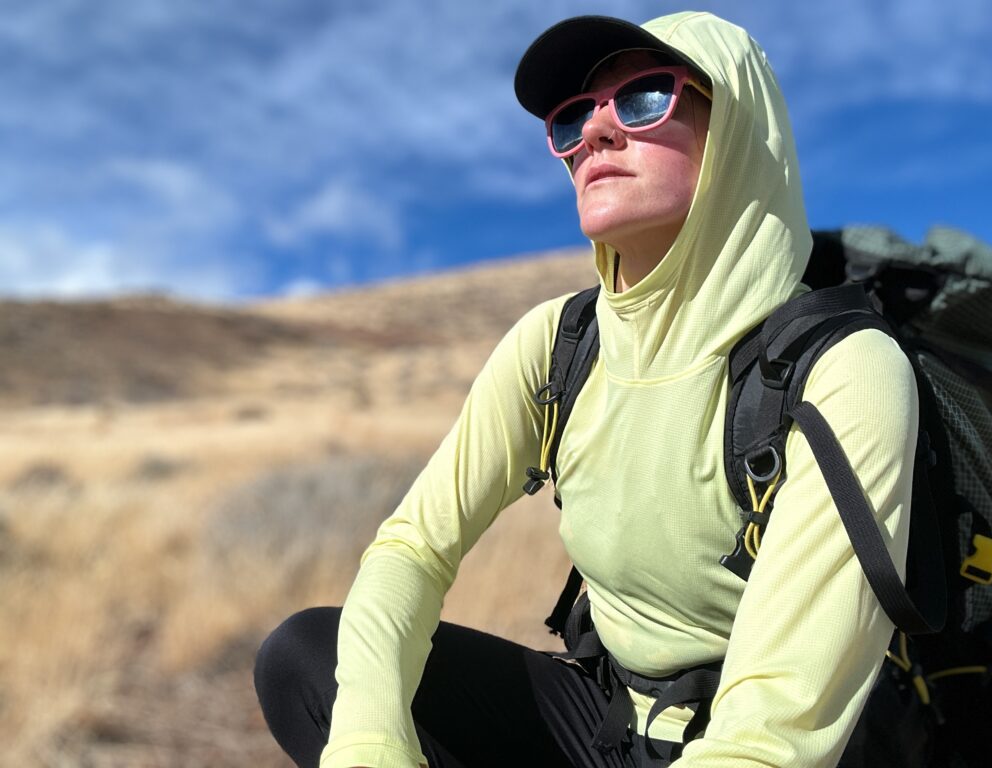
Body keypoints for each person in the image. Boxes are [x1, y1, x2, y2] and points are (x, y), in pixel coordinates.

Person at [254, 11, 917, 768]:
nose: (595, 133)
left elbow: (770, 740)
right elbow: (411, 549)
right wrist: (370, 744)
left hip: (772, 745)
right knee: (309, 659)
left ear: (737, 129)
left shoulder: (845, 368)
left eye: (643, 98)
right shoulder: (560, 343)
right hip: (610, 723)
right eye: (572, 118)